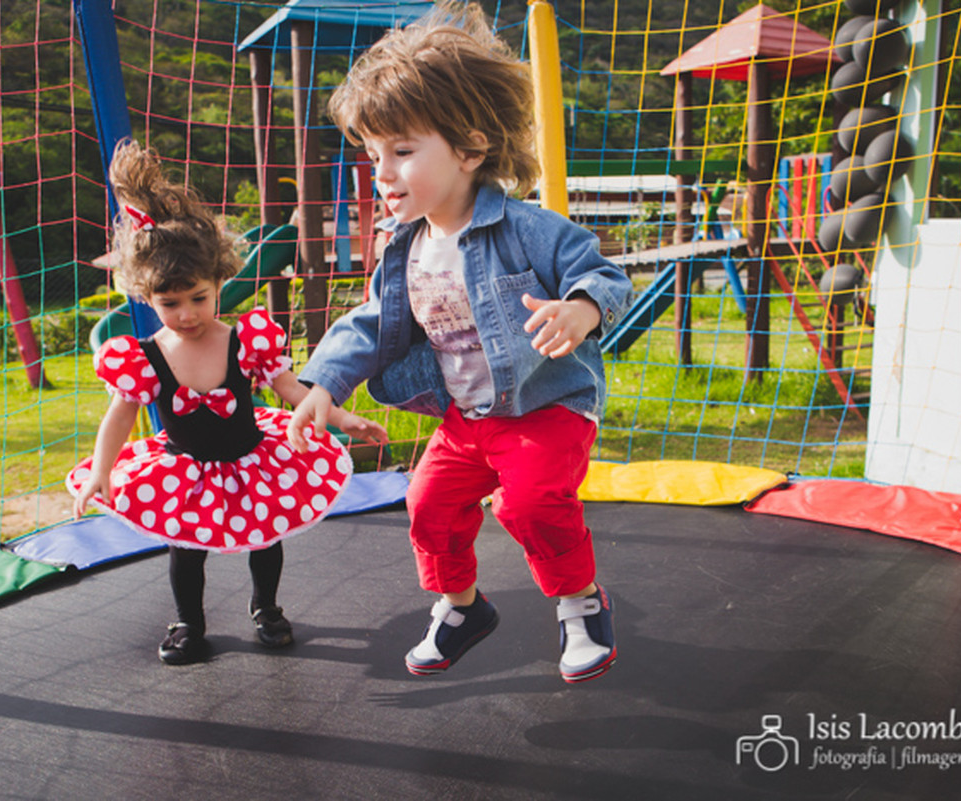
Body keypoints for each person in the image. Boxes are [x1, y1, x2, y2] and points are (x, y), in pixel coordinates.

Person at [286, 3, 633, 683]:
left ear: (470, 150)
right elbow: (370, 322)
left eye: (404, 151)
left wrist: (581, 310)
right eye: (373, 154)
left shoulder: (526, 228)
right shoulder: (405, 247)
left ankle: (580, 604)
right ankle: (462, 606)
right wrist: (322, 382)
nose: (382, 172)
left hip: (545, 407)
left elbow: (602, 271)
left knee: (529, 503)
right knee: (428, 506)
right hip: (468, 420)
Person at [69, 140, 387, 665]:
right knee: (185, 550)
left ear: (219, 283)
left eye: (198, 298)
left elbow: (292, 392)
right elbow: (119, 417)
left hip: (250, 459)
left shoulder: (246, 339)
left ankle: (266, 607)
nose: (188, 314)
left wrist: (342, 417)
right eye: (170, 304)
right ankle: (187, 623)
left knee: (265, 538)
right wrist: (102, 469)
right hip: (185, 469)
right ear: (147, 299)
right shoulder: (144, 356)